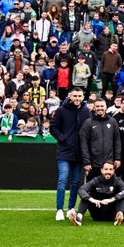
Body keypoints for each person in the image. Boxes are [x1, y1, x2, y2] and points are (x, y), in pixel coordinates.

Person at [50, 86, 91, 221]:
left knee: (75, 182)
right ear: (70, 96)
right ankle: (59, 209)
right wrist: (63, 138)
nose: (77, 98)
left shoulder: (87, 111)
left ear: (83, 97)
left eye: (79, 96)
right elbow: (53, 127)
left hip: (79, 154)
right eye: (75, 96)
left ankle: (71, 208)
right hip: (64, 152)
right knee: (62, 180)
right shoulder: (61, 110)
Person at [68, 161, 124, 226]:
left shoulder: (117, 180)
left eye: (111, 169)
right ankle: (78, 218)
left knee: (121, 197)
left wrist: (112, 199)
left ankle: (119, 216)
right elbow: (81, 189)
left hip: (112, 214)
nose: (108, 171)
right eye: (106, 169)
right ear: (101, 170)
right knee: (86, 196)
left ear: (114, 171)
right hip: (97, 213)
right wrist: (92, 200)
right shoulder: (96, 180)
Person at [79, 98, 120, 181]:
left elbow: (117, 141)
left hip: (109, 164)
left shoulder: (112, 121)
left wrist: (117, 158)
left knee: (109, 190)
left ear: (106, 107)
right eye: (97, 106)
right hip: (93, 164)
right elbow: (84, 143)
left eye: (102, 106)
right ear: (94, 108)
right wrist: (87, 162)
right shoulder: (88, 122)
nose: (100, 108)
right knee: (92, 191)